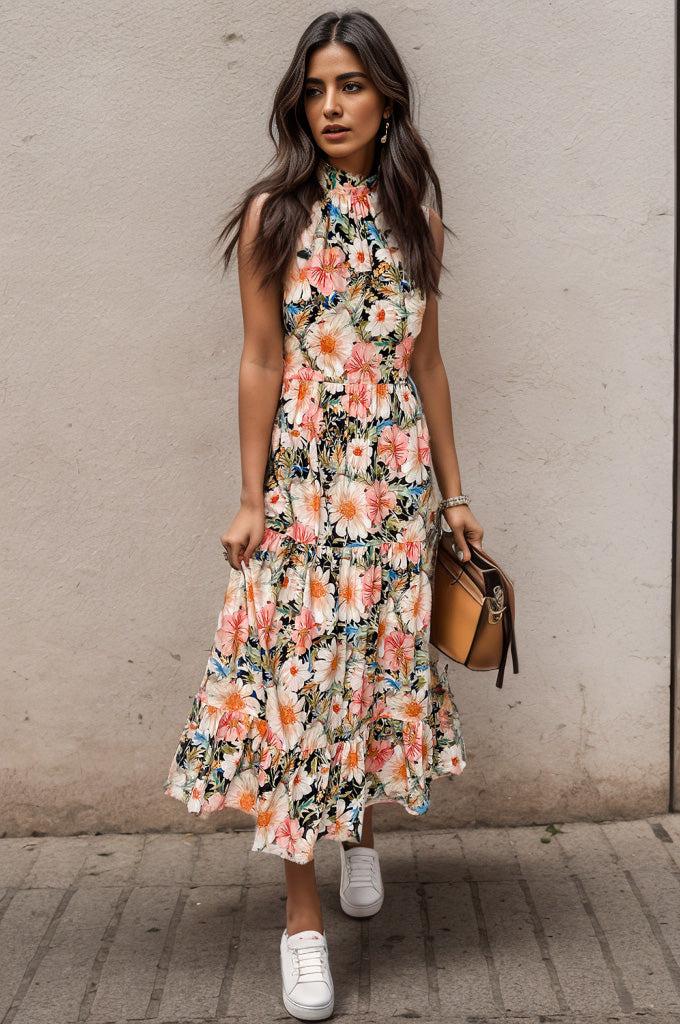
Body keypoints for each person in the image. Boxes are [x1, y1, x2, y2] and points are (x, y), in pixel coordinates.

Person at [164, 9, 484, 1021]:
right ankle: (300, 921)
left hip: (390, 499)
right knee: (297, 697)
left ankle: (362, 830)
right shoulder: (273, 216)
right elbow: (260, 360)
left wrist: (456, 495)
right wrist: (250, 495)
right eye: (315, 88)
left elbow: (424, 363)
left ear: (386, 98)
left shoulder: (415, 225)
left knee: (370, 677)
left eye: (349, 85)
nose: (331, 105)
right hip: (304, 495)